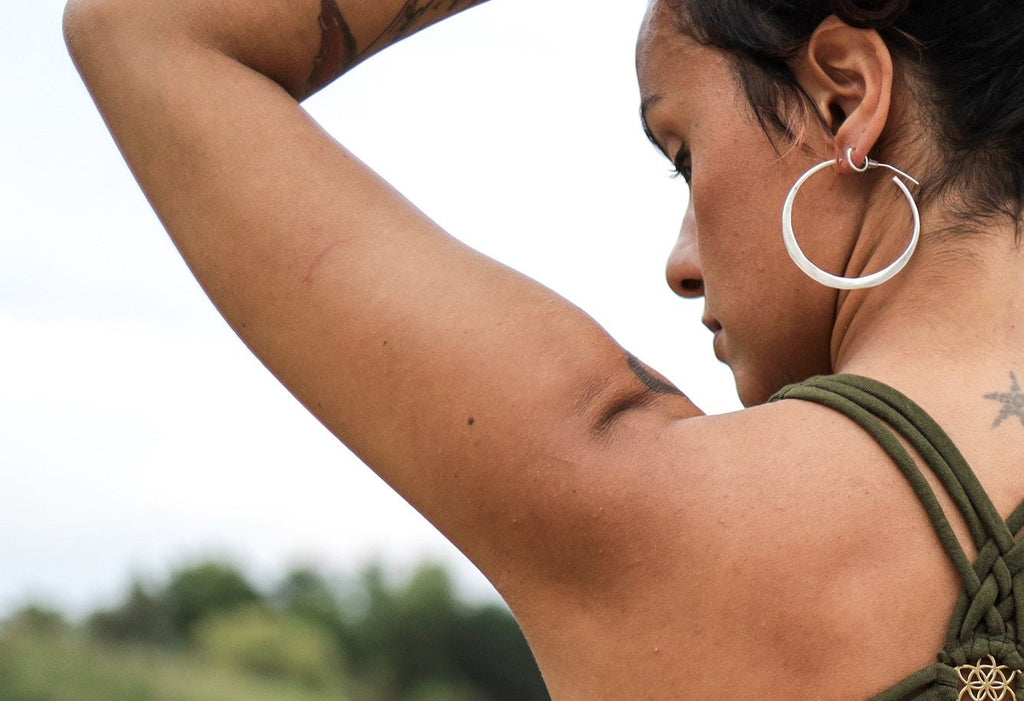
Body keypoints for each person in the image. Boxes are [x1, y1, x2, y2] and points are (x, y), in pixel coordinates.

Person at [63, 0, 1024, 697]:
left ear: (845, 96)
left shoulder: (650, 511)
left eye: (682, 154)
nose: (681, 264)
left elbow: (142, 26)